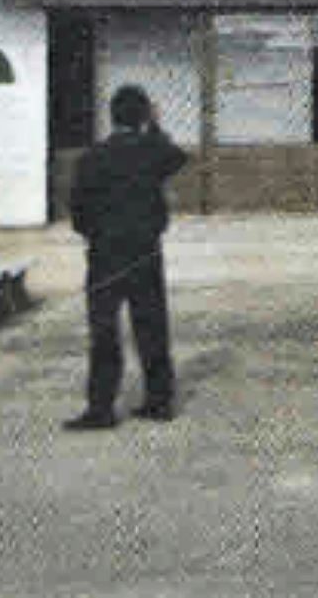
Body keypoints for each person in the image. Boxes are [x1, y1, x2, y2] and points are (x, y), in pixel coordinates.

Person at [64, 84, 189, 430]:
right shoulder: (152, 151)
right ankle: (159, 401)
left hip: (104, 255)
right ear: (143, 116)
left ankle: (101, 408)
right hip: (144, 252)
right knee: (151, 326)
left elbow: (78, 214)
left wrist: (95, 234)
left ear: (112, 116)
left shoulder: (92, 158)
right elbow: (178, 157)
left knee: (104, 331)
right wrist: (156, 127)